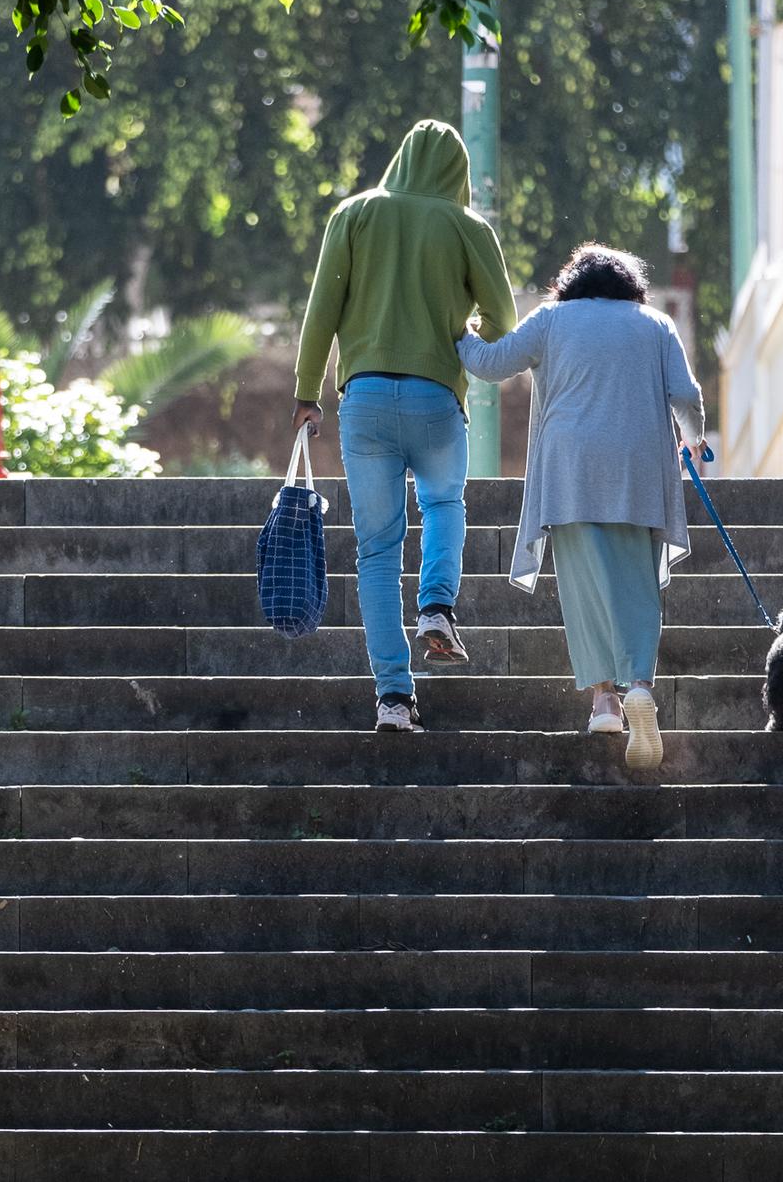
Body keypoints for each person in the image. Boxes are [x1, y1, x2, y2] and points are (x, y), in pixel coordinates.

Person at [292, 119, 518, 733]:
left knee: (376, 552)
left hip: (362, 402)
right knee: (444, 501)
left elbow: (322, 311)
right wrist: (465, 338)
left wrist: (306, 394)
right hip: (437, 400)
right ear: (458, 174)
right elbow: (505, 319)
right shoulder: (468, 227)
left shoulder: (354, 214)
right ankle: (438, 606)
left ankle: (394, 698)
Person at [456, 244, 705, 771]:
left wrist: (460, 329)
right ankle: (638, 684)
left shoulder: (552, 318)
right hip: (638, 469)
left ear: (570, 284)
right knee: (637, 581)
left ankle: (604, 702)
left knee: (582, 584)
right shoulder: (655, 324)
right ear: (629, 286)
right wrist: (694, 441)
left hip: (570, 469)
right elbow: (687, 396)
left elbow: (491, 364)